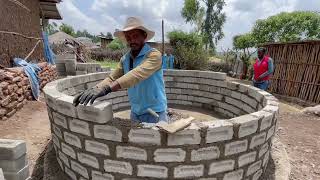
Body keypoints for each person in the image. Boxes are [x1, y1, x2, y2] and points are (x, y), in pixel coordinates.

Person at [73, 17, 168, 123]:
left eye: (135, 36)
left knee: (155, 139)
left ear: (144, 36)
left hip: (155, 113)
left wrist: (106, 89)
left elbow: (136, 74)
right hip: (136, 112)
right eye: (128, 38)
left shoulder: (154, 55)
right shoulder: (125, 59)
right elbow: (112, 78)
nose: (132, 40)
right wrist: (95, 88)